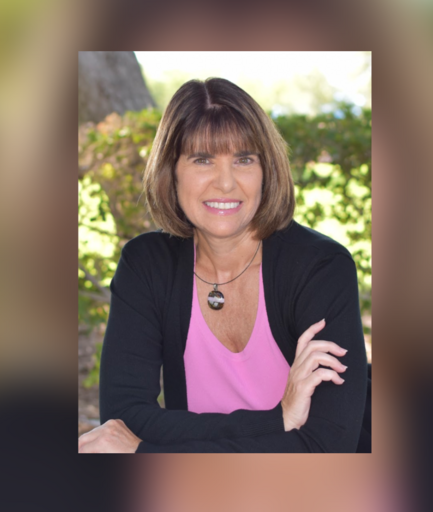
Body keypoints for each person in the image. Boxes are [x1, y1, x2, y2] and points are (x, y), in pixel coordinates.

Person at [78, 77, 368, 453]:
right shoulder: (146, 265)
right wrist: (278, 419)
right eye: (203, 159)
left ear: (266, 171)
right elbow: (125, 418)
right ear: (172, 170)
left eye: (244, 159)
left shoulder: (320, 269)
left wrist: (146, 451)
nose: (226, 183)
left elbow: (327, 446)